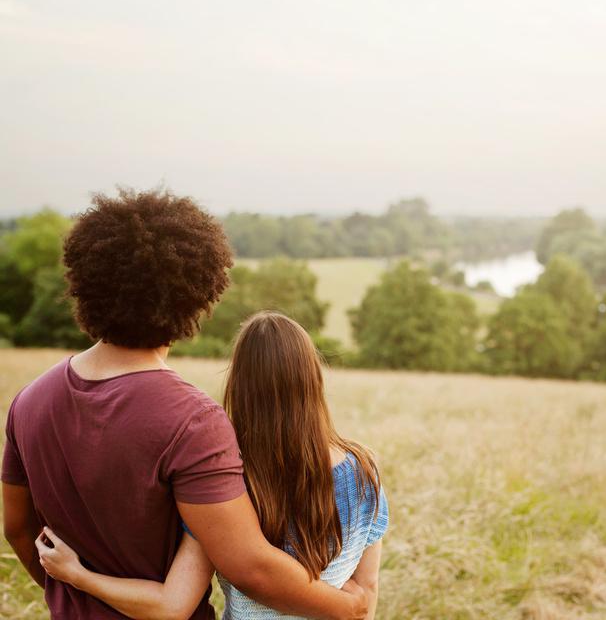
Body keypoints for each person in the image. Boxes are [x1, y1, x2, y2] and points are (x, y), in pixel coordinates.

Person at [2, 189, 368, 620]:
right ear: (194, 296)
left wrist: (77, 593)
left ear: (85, 284)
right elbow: (250, 566)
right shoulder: (193, 421)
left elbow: (18, 529)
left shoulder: (29, 401)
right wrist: (351, 606)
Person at [36, 312, 389, 620]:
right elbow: (365, 593)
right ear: (314, 379)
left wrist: (78, 575)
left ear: (239, 385)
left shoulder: (223, 482)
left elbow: (171, 606)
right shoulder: (364, 472)